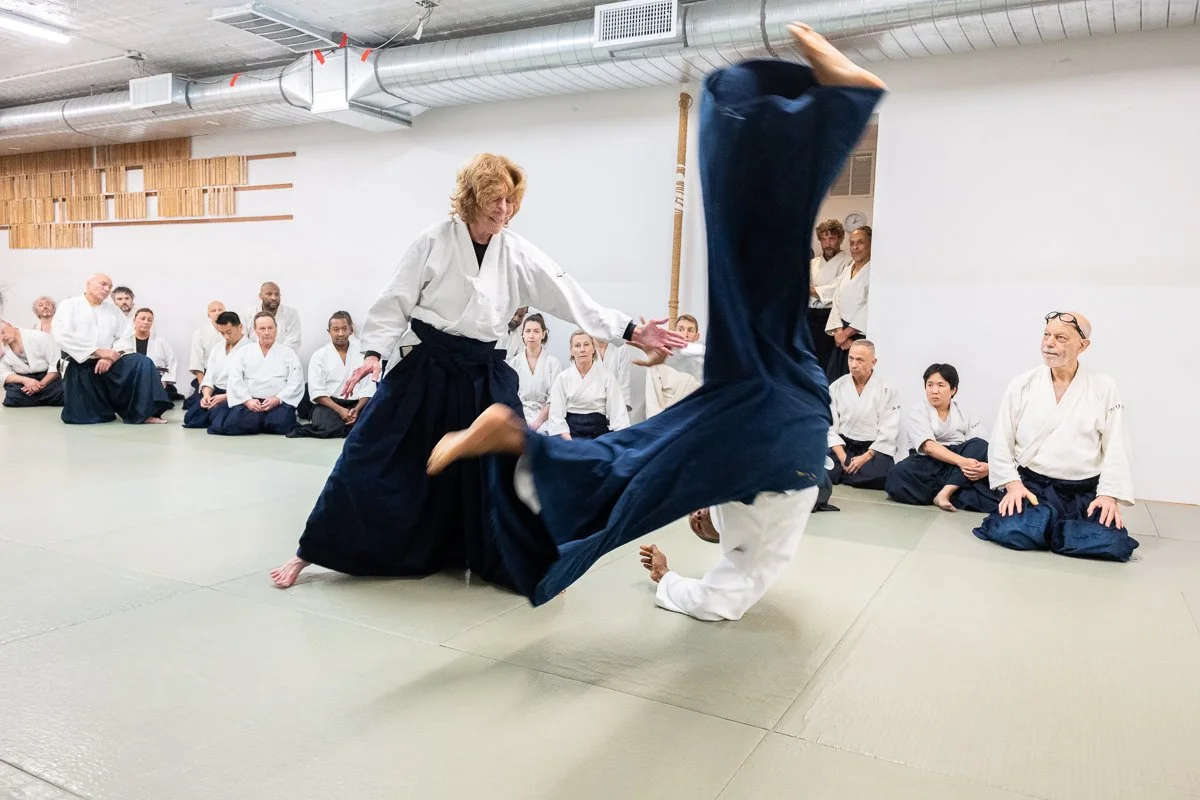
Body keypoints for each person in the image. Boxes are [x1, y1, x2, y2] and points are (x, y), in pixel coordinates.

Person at [424, 25, 885, 619]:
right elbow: (724, 599)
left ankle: (824, 106)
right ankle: (523, 445)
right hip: (780, 434)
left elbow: (721, 592)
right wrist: (671, 582)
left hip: (787, 400)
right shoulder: (756, 527)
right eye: (705, 520)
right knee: (638, 465)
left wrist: (669, 578)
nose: (700, 517)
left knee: (755, 279)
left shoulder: (741, 499)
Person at [270, 152, 687, 588]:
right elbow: (396, 299)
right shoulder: (433, 241)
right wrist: (374, 352)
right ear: (471, 198)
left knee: (508, 467)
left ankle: (522, 559)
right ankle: (312, 550)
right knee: (370, 449)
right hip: (426, 367)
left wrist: (630, 330)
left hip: (483, 372)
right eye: (494, 199)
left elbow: (570, 297)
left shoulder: (517, 252)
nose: (503, 209)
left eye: (510, 200)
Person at [974, 311, 1138, 561]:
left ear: (1082, 346)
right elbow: (1001, 440)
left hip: (1083, 493)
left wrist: (1108, 496)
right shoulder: (1023, 384)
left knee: (1112, 543)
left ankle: (1046, 529)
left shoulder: (1104, 387)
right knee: (1010, 530)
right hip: (1033, 488)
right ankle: (1062, 531)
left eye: (1060, 338)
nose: (1049, 343)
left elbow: (1117, 445)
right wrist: (1012, 485)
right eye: (1046, 335)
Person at [51, 274, 169, 425]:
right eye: (103, 284)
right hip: (79, 362)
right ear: (88, 284)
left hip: (109, 361)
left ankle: (143, 414)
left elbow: (125, 337)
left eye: (110, 287)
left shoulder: (113, 310)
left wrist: (110, 356)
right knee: (81, 417)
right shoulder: (69, 305)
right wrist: (97, 351)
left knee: (142, 362)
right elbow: (62, 335)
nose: (107, 289)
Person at [884, 363, 999, 512]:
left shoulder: (965, 411)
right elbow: (928, 447)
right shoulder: (918, 410)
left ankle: (945, 492)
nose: (934, 391)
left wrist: (989, 468)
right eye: (930, 385)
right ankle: (957, 489)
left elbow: (982, 445)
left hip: (958, 463)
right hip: (929, 463)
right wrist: (963, 462)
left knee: (979, 445)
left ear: (953, 390)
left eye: (940, 385)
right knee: (897, 475)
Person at [209, 312, 303, 436]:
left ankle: (261, 422)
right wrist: (247, 400)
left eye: (270, 328)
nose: (267, 332)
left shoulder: (288, 353)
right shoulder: (244, 352)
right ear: (255, 330)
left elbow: (296, 381)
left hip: (277, 403)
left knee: (282, 423)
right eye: (262, 329)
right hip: (251, 402)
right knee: (235, 423)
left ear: (276, 329)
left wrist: (278, 399)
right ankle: (261, 422)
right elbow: (235, 380)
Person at [289, 312, 375, 439]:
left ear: (350, 330)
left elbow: (369, 388)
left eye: (344, 329)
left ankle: (353, 422)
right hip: (330, 404)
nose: (340, 333)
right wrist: (340, 410)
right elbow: (317, 392)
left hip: (358, 403)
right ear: (329, 332)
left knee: (373, 422)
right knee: (329, 426)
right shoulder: (319, 356)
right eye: (336, 329)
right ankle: (350, 426)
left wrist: (356, 409)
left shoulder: (363, 354)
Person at [827, 340, 899, 490]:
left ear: (873, 362)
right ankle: (849, 473)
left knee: (885, 474)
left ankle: (843, 474)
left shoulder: (887, 389)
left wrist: (866, 456)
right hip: (843, 446)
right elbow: (830, 426)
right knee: (818, 464)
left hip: (871, 450)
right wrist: (842, 457)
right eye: (851, 358)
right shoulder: (836, 386)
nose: (853, 365)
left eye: (860, 360)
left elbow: (889, 430)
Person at [543, 331, 630, 439]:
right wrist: (569, 442)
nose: (582, 349)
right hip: (570, 434)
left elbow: (618, 415)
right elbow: (556, 417)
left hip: (599, 435)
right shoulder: (562, 379)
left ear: (593, 349)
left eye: (586, 344)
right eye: (577, 346)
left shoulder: (607, 377)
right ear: (571, 351)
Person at [183, 311, 248, 430]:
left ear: (240, 327)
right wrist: (206, 395)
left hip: (235, 394)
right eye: (222, 333)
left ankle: (217, 413)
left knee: (219, 419)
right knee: (190, 418)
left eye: (229, 332)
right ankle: (214, 411)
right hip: (216, 392)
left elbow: (251, 383)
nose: (226, 337)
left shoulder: (250, 348)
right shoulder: (217, 348)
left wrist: (226, 397)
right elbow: (209, 376)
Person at [824, 226, 871, 381]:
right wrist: (839, 332)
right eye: (852, 243)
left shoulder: (874, 272)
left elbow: (869, 307)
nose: (855, 247)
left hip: (858, 336)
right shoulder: (848, 269)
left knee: (856, 381)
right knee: (835, 382)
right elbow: (836, 300)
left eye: (860, 243)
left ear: (870, 245)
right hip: (841, 337)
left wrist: (846, 334)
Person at [507, 313, 562, 432]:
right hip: (519, 416)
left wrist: (537, 423)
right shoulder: (514, 363)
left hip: (545, 418)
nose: (531, 335)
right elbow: (510, 397)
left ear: (543, 334)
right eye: (528, 331)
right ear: (522, 334)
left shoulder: (553, 363)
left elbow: (555, 399)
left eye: (536, 331)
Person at [809, 219, 851, 367]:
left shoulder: (849, 262)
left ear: (840, 238)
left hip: (831, 317)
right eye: (823, 239)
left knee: (827, 360)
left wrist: (813, 290)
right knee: (809, 357)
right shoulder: (813, 263)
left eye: (832, 238)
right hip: (810, 315)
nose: (827, 243)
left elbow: (838, 288)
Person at [116, 308, 182, 402]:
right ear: (134, 320)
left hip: (155, 378)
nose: (146, 322)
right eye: (142, 319)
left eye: (149, 320)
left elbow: (172, 362)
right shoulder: (125, 341)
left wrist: (165, 379)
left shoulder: (160, 342)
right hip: (132, 379)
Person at [645, 314, 703, 417]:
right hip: (661, 418)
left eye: (690, 330)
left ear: (697, 336)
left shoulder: (703, 363)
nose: (685, 334)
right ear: (674, 333)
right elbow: (652, 399)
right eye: (681, 329)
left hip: (692, 417)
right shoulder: (660, 359)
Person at [1, 321, 63, 407]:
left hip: (48, 377)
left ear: (10, 325)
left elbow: (56, 363)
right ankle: (44, 398)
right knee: (13, 397)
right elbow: (2, 372)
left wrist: (41, 385)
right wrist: (26, 380)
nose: (2, 337)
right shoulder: (1, 348)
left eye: (3, 332)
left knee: (62, 393)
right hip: (23, 380)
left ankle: (37, 398)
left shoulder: (39, 336)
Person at [186, 301, 226, 410]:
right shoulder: (200, 332)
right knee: (200, 406)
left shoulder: (233, 331)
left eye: (220, 310)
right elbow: (197, 362)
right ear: (208, 315)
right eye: (213, 310)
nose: (217, 313)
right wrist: (203, 386)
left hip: (229, 376)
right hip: (207, 375)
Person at [244, 282, 302, 352]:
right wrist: (259, 355)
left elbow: (293, 342)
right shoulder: (248, 314)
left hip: (283, 357)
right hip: (253, 356)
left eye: (277, 294)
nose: (274, 298)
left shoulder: (291, 314)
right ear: (260, 296)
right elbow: (243, 341)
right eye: (269, 294)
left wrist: (274, 356)